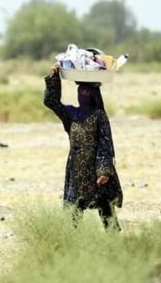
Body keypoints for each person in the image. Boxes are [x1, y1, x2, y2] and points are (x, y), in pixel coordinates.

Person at [44, 64, 123, 230]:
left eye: (87, 92)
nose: (83, 94)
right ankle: (74, 244)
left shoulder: (99, 116)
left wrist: (104, 171)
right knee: (74, 209)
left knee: (106, 207)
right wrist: (54, 78)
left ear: (94, 95)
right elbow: (51, 101)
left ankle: (115, 245)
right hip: (76, 170)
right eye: (80, 91)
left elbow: (105, 143)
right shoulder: (70, 115)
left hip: (95, 171)